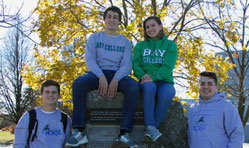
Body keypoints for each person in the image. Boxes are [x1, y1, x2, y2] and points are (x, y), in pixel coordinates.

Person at [65, 6, 140, 148]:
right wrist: (101, 76)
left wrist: (116, 79)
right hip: (97, 73)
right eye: (109, 17)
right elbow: (90, 60)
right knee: (78, 83)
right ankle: (79, 131)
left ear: (119, 22)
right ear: (104, 19)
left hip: (118, 75)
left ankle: (124, 133)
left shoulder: (125, 41)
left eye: (115, 18)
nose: (112, 20)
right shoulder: (94, 38)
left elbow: (126, 65)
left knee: (133, 86)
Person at [132, 16, 178, 143]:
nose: (150, 29)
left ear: (160, 26)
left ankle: (151, 129)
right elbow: (136, 65)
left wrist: (154, 76)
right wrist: (143, 76)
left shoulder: (170, 45)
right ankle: (152, 128)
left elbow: (168, 66)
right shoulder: (140, 46)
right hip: (146, 81)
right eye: (147, 27)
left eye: (153, 25)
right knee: (149, 87)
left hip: (164, 81)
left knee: (167, 93)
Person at [188, 71, 244, 148]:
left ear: (216, 87)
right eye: (202, 83)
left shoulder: (226, 107)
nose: (206, 87)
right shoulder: (192, 108)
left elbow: (237, 134)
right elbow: (190, 137)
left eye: (210, 84)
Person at [14, 80, 72, 148]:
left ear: (59, 95)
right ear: (41, 94)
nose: (50, 95)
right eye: (47, 92)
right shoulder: (29, 117)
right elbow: (19, 144)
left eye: (54, 92)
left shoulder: (65, 119)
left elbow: (67, 145)